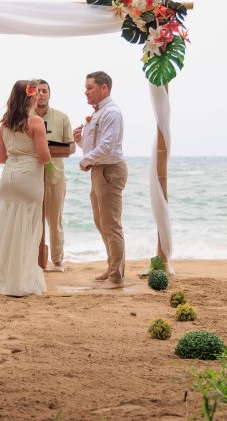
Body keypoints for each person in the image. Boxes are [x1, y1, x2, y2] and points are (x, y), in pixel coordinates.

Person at [0, 80, 51, 296]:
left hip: (8, 180)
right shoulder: (36, 122)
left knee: (5, 227)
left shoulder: (5, 124)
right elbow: (44, 157)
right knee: (27, 230)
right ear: (31, 97)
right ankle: (19, 279)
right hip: (29, 180)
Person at [73, 71, 127, 289]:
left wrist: (85, 161)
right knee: (100, 222)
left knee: (111, 224)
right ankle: (111, 268)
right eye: (86, 88)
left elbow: (107, 146)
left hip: (109, 170)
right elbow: (97, 145)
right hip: (99, 170)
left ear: (104, 88)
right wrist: (80, 141)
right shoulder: (99, 112)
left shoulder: (112, 112)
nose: (85, 92)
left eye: (90, 88)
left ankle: (116, 276)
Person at [35, 79, 75, 273]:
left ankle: (57, 260)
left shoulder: (62, 118)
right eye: (38, 91)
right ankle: (33, 260)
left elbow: (72, 146)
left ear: (50, 94)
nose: (41, 94)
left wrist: (53, 149)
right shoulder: (24, 117)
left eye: (44, 91)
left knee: (54, 220)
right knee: (31, 220)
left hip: (55, 177)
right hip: (31, 177)